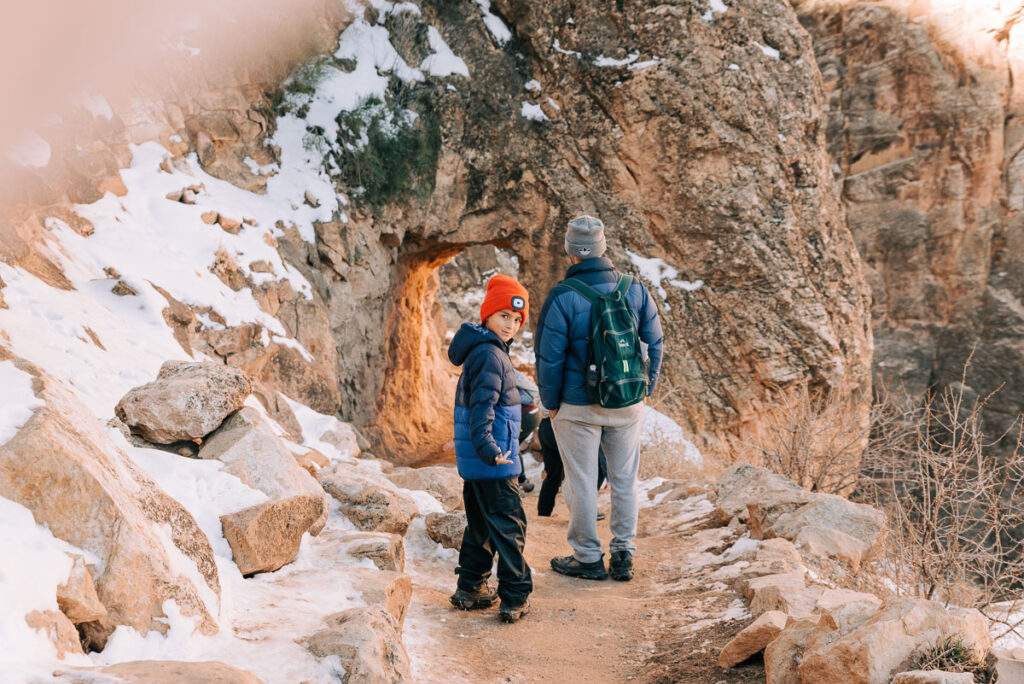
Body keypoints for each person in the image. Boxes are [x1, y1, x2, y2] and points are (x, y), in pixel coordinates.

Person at [534, 215, 663, 582]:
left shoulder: (562, 297)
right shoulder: (634, 289)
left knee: (581, 479)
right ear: (603, 248)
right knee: (624, 479)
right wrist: (645, 389)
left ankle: (588, 557)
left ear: (570, 253)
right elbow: (655, 342)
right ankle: (623, 554)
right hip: (626, 403)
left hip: (576, 407)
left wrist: (551, 402)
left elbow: (549, 357)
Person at [447, 273, 533, 622]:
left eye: (517, 320)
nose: (511, 324)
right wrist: (489, 449)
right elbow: (482, 407)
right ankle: (515, 596)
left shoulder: (485, 350)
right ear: (487, 315)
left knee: (481, 525)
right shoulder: (490, 355)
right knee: (511, 526)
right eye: (504, 317)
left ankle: (471, 587)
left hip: (483, 459)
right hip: (494, 458)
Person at [535, 416, 607, 517]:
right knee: (587, 472)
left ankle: (543, 512)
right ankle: (585, 511)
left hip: (546, 426)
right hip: (567, 427)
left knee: (553, 474)